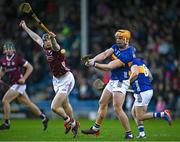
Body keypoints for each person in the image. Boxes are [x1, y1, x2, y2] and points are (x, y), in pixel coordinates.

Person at [20, 20, 79, 138]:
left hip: (66, 78)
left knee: (54, 107)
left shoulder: (56, 49)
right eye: (45, 40)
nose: (45, 42)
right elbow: (36, 38)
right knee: (65, 104)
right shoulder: (45, 47)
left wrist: (53, 38)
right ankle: (73, 123)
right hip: (56, 80)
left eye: (47, 40)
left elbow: (56, 45)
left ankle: (71, 122)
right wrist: (25, 28)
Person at [81, 29, 135, 139]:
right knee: (102, 102)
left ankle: (129, 133)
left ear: (126, 40)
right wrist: (93, 59)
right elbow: (105, 54)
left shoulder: (128, 54)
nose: (118, 40)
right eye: (117, 38)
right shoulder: (115, 47)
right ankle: (95, 129)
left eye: (121, 38)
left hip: (121, 81)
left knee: (117, 108)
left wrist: (94, 64)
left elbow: (109, 67)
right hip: (113, 80)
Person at [0, 41, 49, 131]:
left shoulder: (18, 59)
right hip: (14, 85)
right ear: (4, 51)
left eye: (10, 48)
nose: (9, 50)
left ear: (13, 50)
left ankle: (7, 123)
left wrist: (24, 78)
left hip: (19, 84)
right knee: (28, 103)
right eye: (7, 49)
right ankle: (44, 117)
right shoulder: (3, 60)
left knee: (5, 101)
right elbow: (3, 70)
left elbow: (30, 67)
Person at [129, 58, 172, 138]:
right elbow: (150, 77)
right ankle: (142, 134)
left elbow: (135, 74)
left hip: (142, 92)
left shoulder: (132, 64)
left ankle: (163, 114)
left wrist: (127, 84)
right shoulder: (141, 63)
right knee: (134, 112)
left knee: (140, 116)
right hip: (146, 90)